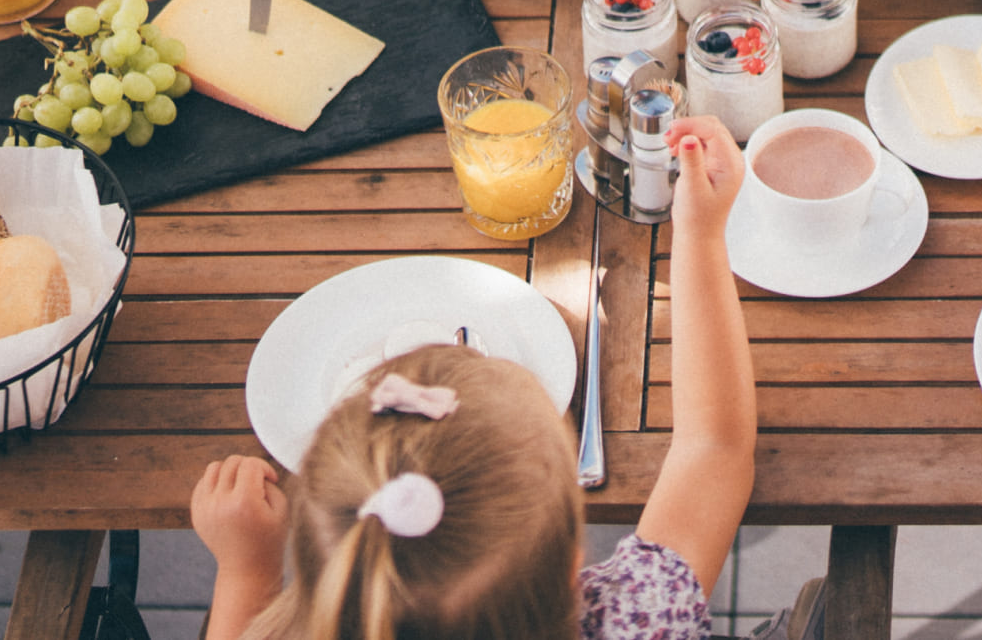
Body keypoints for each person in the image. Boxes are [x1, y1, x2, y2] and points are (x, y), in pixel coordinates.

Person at [189, 117, 755, 639]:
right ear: (573, 563)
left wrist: (246, 572)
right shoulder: (639, 618)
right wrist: (702, 235)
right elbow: (716, 450)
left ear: (324, 576)